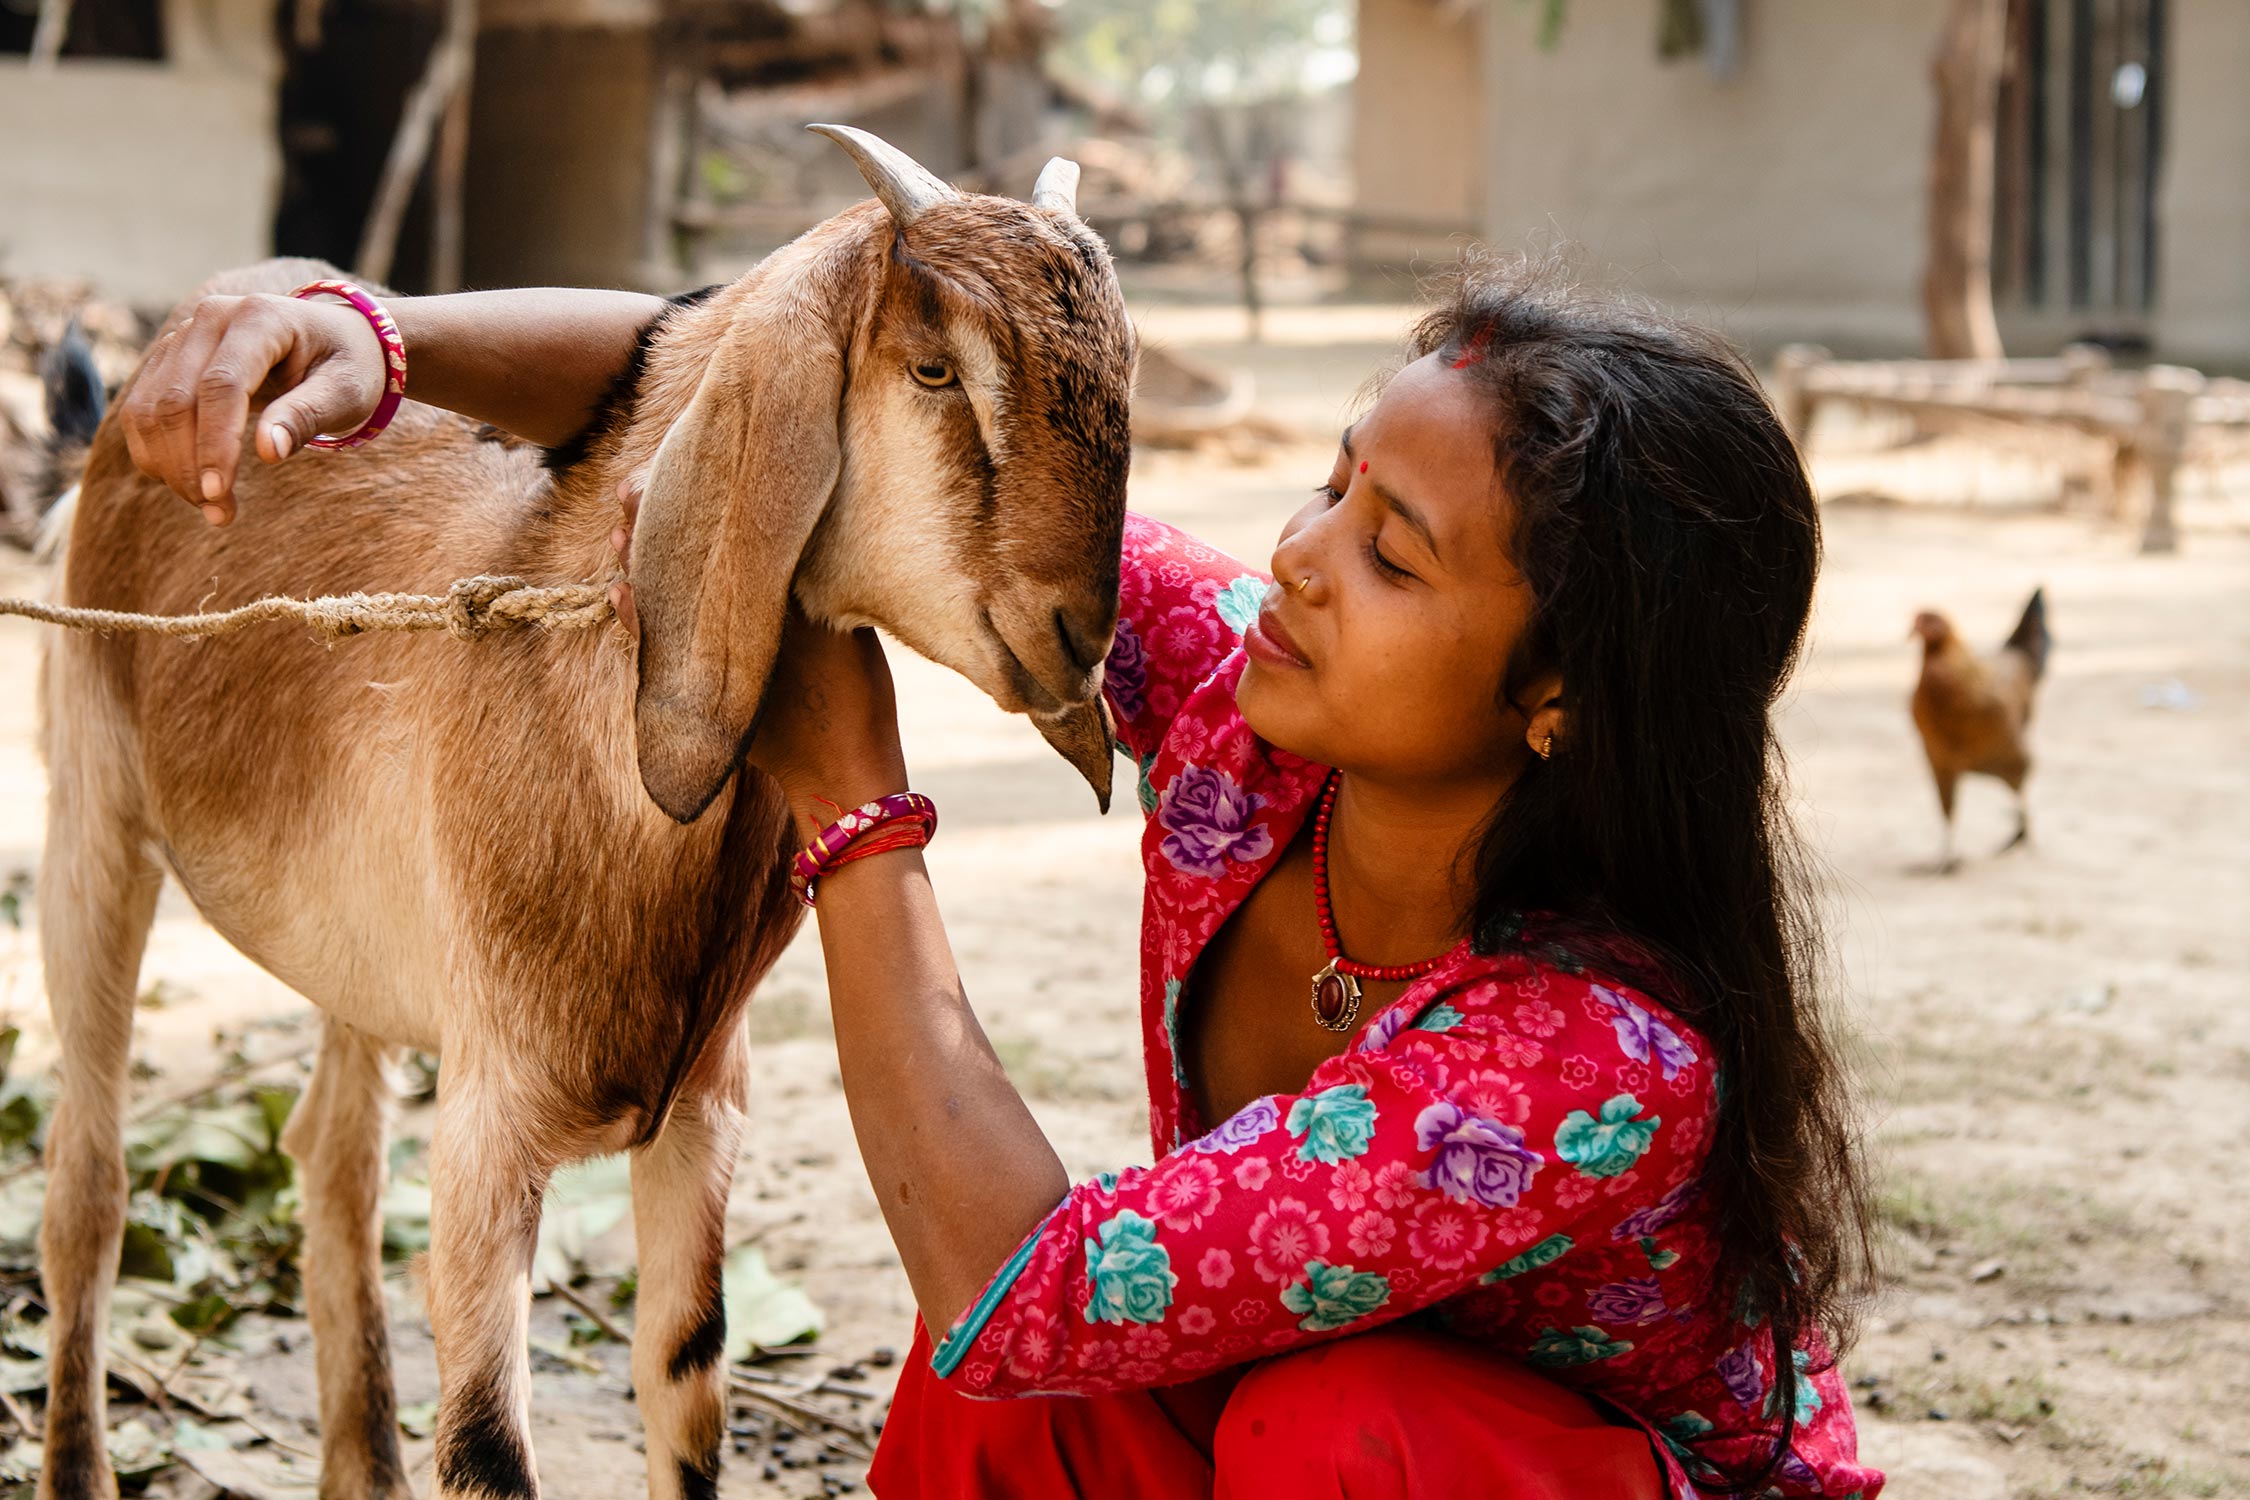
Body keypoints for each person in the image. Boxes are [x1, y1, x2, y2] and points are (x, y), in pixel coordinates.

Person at [126, 253, 1883, 1498]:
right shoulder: (1241, 711)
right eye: (1332, 485)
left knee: (1321, 1427)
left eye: (1392, 551)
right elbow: (741, 371)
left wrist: (852, 810)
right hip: (1287, 1422)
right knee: (1002, 1410)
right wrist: (373, 335)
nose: (1296, 553)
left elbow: (1026, 1279)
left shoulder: (1592, 1067)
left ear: (1565, 691)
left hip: (1504, 1472)